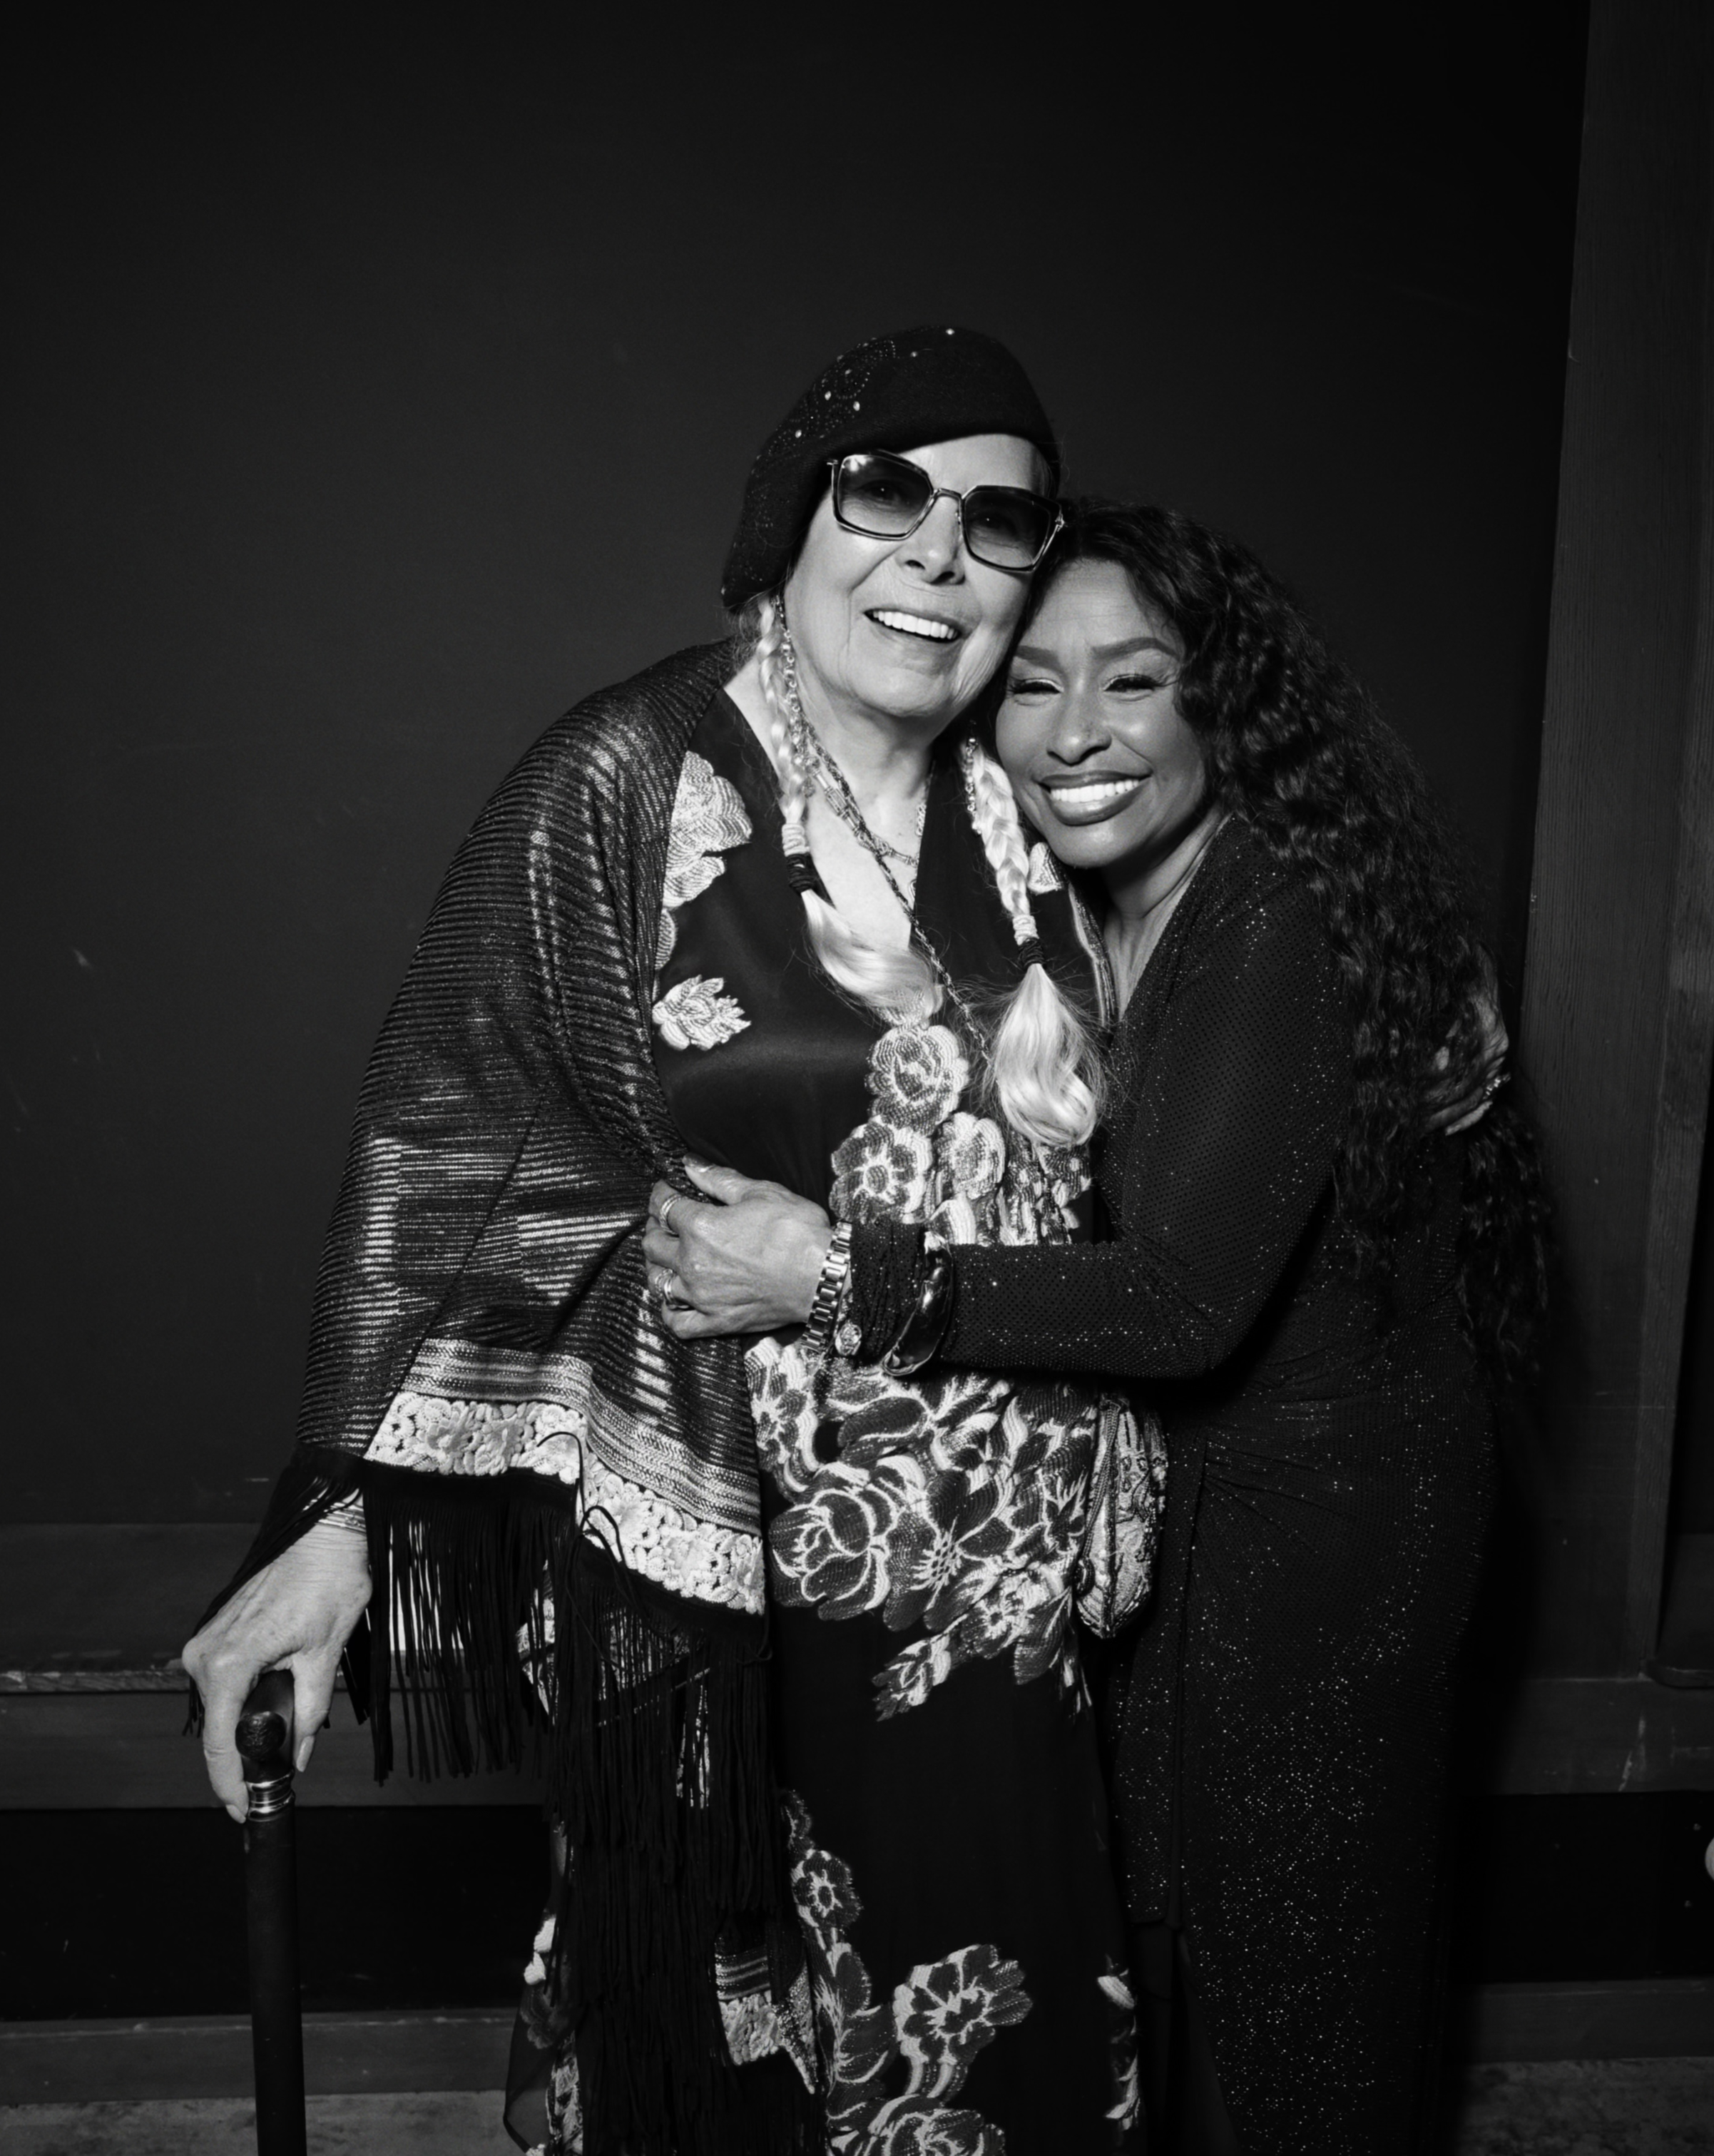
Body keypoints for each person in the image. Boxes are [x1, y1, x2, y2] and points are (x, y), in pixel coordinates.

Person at [184, 330, 1158, 2156]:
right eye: (887, 496)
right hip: (726, 1564)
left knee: (997, 2010)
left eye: (998, 520)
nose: (937, 559)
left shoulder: (1025, 805)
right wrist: (335, 1541)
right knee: (724, 2036)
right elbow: (455, 1152)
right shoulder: (627, 774)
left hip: (1001, 1598)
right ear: (792, 519)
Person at [648, 500, 1546, 2155]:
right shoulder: (1052, 894)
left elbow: (1180, 1299)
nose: (1075, 733)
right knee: (1174, 1979)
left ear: (1228, 703)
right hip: (1193, 1524)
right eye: (1034, 683)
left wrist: (832, 1272)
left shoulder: (1271, 911)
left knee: (1299, 2008)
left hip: (1315, 1551)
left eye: (1132, 680)